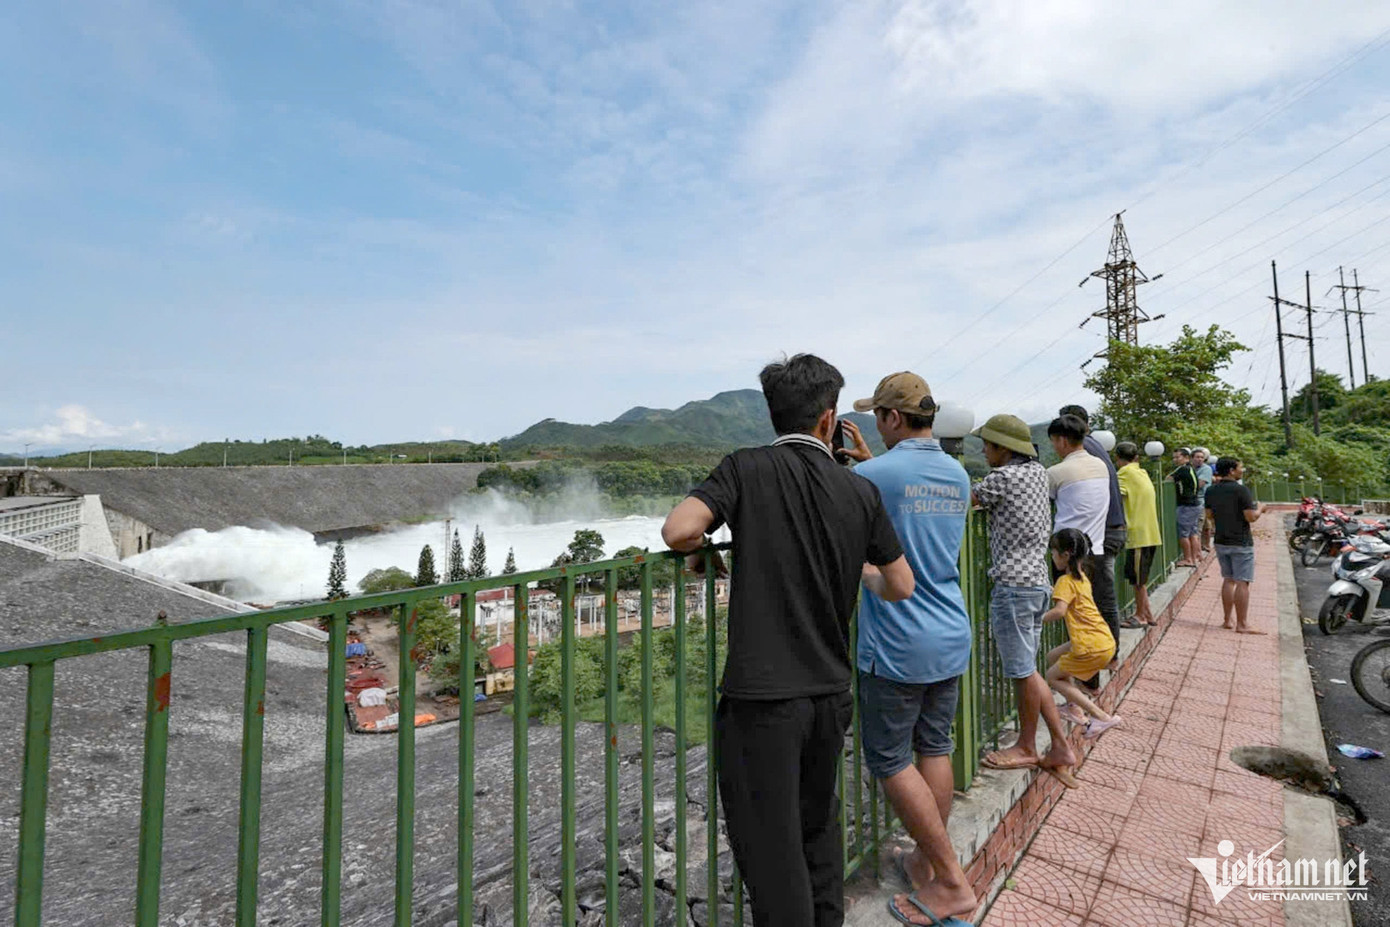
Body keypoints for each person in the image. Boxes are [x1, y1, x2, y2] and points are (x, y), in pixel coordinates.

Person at [661, 353, 915, 927]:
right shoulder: (859, 491)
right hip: (830, 694)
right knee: (817, 832)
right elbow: (900, 583)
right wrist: (857, 573)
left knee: (770, 854)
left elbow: (679, 530)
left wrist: (706, 556)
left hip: (762, 700)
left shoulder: (745, 468)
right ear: (829, 420)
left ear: (776, 414)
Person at [838, 372, 978, 926]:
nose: (875, 421)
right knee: (934, 748)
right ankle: (925, 861)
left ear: (893, 418)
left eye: (878, 415)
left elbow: (868, 503)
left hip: (898, 638)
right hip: (949, 630)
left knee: (891, 758)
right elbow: (909, 499)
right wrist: (873, 461)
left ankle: (950, 883)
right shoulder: (959, 474)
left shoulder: (871, 476)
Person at [970, 414, 1078, 788]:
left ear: (1003, 448)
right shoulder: (1037, 474)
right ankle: (1035, 744)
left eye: (987, 444)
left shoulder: (1002, 478)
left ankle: (1050, 746)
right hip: (1037, 582)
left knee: (1023, 671)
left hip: (1013, 586)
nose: (983, 450)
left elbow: (963, 498)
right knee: (1026, 669)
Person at [1043, 528, 1123, 738]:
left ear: (1065, 555)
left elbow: (1060, 611)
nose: (1052, 556)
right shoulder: (1082, 579)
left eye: (1053, 552)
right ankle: (1072, 705)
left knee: (1051, 677)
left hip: (1088, 645)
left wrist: (1036, 619)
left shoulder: (1065, 581)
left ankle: (1101, 717)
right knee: (1052, 657)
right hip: (1103, 640)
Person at [1058, 405, 1127, 645]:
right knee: (1099, 597)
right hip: (1112, 528)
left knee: (1098, 599)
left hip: (1101, 533)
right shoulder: (1095, 447)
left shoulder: (1083, 451)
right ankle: (1103, 653)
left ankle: (1103, 655)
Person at [1205, 456, 1263, 634]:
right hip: (1241, 541)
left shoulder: (1211, 490)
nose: (1242, 470)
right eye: (1240, 467)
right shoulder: (1241, 491)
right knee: (1242, 582)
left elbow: (1208, 515)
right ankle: (1242, 624)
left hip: (1222, 540)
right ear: (1231, 470)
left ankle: (1226, 620)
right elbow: (1250, 517)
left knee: (1228, 579)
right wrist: (1261, 508)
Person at [1114, 442, 1161, 626]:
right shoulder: (1142, 472)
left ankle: (1140, 616)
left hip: (1138, 534)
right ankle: (1148, 614)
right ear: (1137, 458)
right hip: (1150, 533)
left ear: (1118, 459)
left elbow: (1112, 493)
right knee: (1140, 578)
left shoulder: (1124, 473)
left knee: (1138, 580)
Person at [1168, 447, 1202, 567]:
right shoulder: (1190, 469)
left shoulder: (1183, 470)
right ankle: (1195, 557)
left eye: (1178, 457)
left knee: (1183, 533)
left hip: (1186, 506)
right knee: (1193, 532)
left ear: (1186, 458)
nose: (1175, 460)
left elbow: (1169, 478)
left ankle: (1188, 559)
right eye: (1174, 457)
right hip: (1194, 504)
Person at [1193, 447, 1214, 552]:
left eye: (1202, 457)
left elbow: (1200, 484)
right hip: (1199, 501)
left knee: (1200, 526)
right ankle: (1204, 546)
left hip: (1202, 500)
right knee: (1205, 524)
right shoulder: (1192, 468)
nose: (1200, 459)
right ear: (1192, 458)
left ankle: (1200, 550)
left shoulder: (1206, 469)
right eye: (1197, 457)